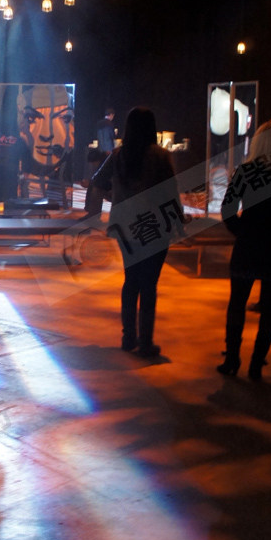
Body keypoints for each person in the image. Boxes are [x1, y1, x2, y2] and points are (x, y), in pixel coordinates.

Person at [91, 106, 185, 357]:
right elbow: (171, 193)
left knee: (131, 280)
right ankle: (145, 342)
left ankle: (128, 337)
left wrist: (115, 197)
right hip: (154, 226)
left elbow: (97, 181)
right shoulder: (160, 156)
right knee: (149, 284)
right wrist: (178, 223)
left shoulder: (118, 155)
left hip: (124, 226)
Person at [218, 116, 271, 380]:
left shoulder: (247, 171)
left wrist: (242, 231)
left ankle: (232, 358)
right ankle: (256, 363)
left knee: (237, 303)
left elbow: (228, 209)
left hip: (248, 247)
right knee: (269, 308)